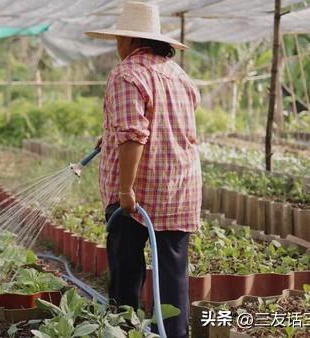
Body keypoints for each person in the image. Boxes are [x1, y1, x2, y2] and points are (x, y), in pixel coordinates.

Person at [85, 2, 201, 337]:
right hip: (180, 188)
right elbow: (166, 123)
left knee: (126, 272)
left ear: (129, 39)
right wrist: (108, 135)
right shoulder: (179, 75)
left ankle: (124, 330)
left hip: (138, 197)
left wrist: (125, 191)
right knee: (173, 274)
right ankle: (174, 333)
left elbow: (135, 136)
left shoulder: (126, 73)